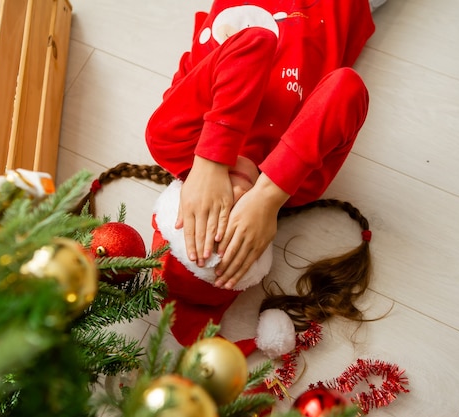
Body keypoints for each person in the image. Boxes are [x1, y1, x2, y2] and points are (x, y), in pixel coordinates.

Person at [145, 0, 377, 346]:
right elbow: (347, 88)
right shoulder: (296, 185)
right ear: (257, 239)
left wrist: (209, 162)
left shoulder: (171, 141)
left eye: (212, 215)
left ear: (182, 203)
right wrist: (269, 194)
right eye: (235, 234)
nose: (234, 201)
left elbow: (254, 42)